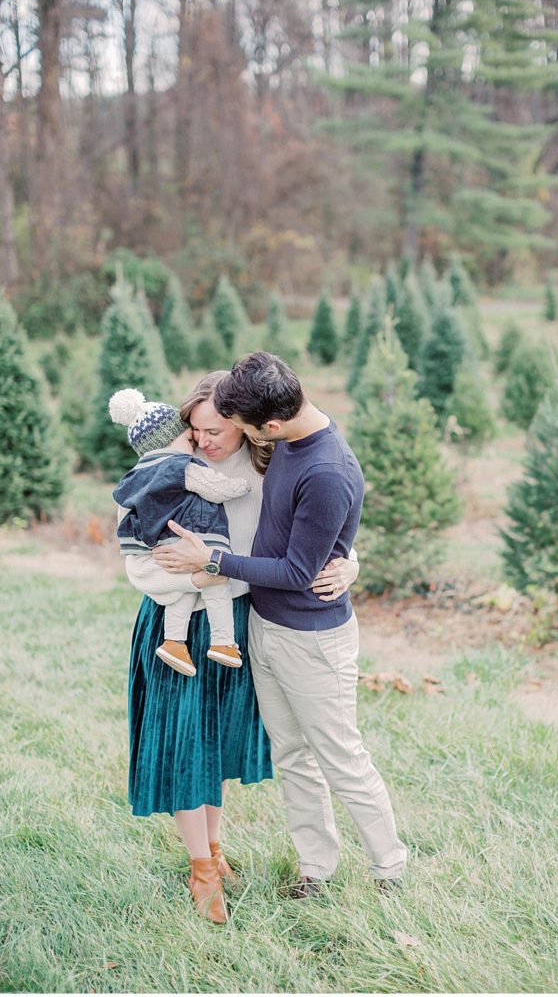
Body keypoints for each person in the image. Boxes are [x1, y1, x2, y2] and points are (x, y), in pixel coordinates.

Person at [154, 352, 407, 895]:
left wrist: (212, 561)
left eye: (240, 427)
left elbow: (298, 570)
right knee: (292, 755)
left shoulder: (327, 469)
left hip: (312, 641)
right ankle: (316, 869)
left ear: (270, 424)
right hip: (264, 627)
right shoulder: (288, 440)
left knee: (340, 757)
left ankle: (390, 869)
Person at [127, 370, 359, 925]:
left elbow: (313, 529)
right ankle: (200, 867)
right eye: (195, 429)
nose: (204, 440)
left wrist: (351, 561)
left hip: (238, 625)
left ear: (246, 427)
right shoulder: (161, 473)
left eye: (216, 430)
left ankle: (216, 851)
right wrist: (201, 578)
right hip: (175, 631)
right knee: (184, 742)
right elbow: (140, 563)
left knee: (212, 744)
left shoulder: (270, 468)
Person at [110, 387, 248, 675]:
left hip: (180, 583)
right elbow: (214, 487)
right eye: (192, 433)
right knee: (215, 586)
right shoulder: (182, 465)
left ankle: (174, 642)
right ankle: (223, 641)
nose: (198, 441)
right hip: (199, 544)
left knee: (181, 597)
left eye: (211, 431)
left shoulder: (135, 477)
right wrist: (239, 487)